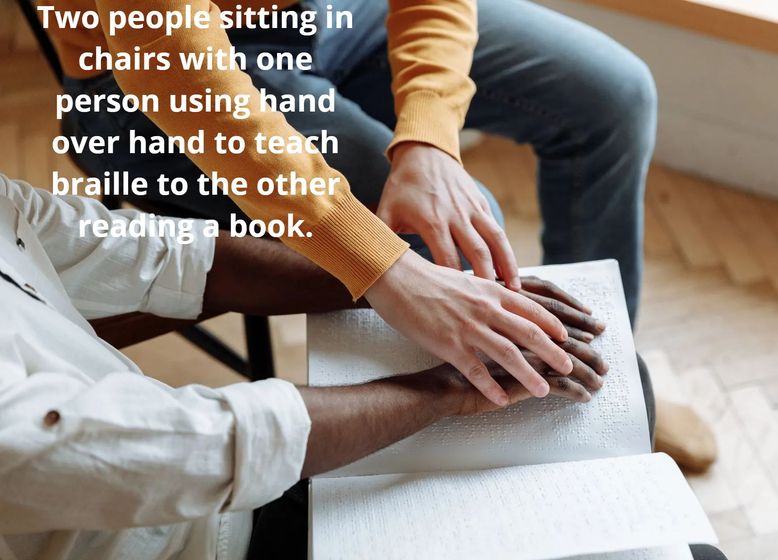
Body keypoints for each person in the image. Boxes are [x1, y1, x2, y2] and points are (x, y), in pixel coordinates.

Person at [0, 174, 726, 560]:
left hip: (234, 477)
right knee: (678, 551)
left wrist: (406, 278)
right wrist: (440, 392)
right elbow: (182, 450)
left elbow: (164, 256)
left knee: (617, 384)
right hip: (202, 535)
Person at [46, 0, 655, 408]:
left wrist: (430, 136)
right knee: (449, 238)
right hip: (145, 76)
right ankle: (459, 459)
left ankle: (603, 374)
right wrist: (382, 265)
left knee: (615, 97)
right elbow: (173, 61)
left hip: (329, 14)